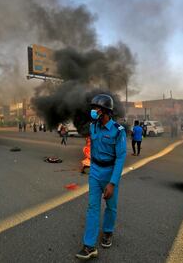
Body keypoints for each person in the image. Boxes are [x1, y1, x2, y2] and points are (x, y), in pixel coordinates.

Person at [76, 94, 127, 260]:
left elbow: (120, 158)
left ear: (105, 111)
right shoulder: (93, 126)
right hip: (95, 170)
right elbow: (91, 146)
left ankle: (108, 232)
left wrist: (112, 183)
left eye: (96, 108)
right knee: (93, 207)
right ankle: (89, 245)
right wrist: (86, 163)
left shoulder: (118, 131)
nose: (93, 111)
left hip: (110, 171)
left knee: (111, 207)